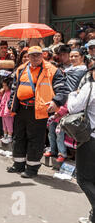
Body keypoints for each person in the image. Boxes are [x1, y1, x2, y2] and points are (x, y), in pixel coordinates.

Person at [7, 46, 70, 178]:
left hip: (39, 110)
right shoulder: (21, 69)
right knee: (19, 137)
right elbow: (14, 88)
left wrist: (56, 102)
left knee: (35, 140)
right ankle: (18, 165)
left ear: (42, 56)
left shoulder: (52, 70)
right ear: (28, 56)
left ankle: (32, 169)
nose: (35, 57)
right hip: (21, 109)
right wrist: (11, 103)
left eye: (38, 55)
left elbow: (63, 90)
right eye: (32, 55)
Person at [67, 65, 95, 223]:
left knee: (83, 179)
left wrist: (72, 94)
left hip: (90, 140)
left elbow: (73, 108)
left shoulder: (90, 87)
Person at [0, 78, 14, 144]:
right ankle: (5, 135)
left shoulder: (11, 93)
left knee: (9, 123)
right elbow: (2, 100)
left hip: (8, 111)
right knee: (4, 123)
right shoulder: (5, 92)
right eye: (3, 85)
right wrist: (1, 95)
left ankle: (9, 136)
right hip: (3, 110)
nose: (4, 87)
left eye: (5, 85)